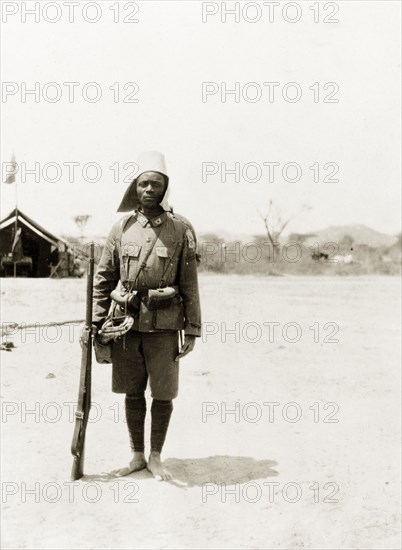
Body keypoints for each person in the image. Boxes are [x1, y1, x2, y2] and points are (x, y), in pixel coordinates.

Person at [92, 151, 201, 481]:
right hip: (125, 323)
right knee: (132, 391)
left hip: (166, 324)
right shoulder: (121, 228)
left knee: (164, 392)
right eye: (143, 183)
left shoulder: (180, 229)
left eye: (156, 183)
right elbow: (103, 278)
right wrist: (97, 325)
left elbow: (189, 282)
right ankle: (137, 455)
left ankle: (156, 456)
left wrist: (192, 329)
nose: (149, 189)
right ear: (134, 189)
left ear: (166, 188)